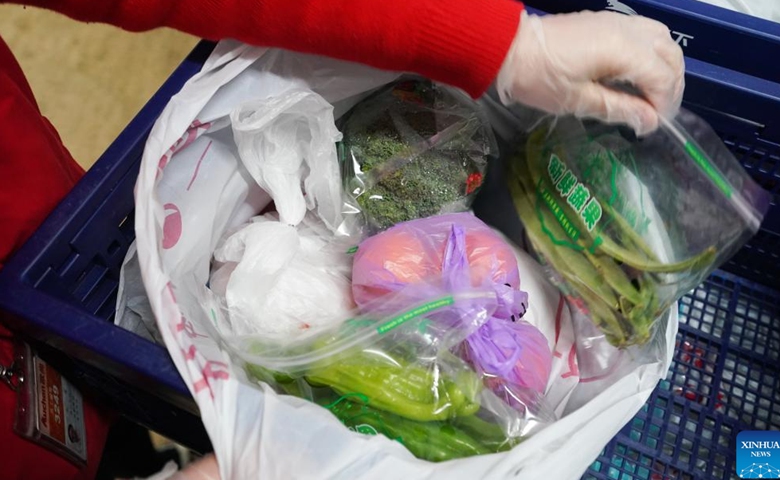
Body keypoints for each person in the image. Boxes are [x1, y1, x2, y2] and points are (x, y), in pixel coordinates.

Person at [0, 0, 684, 478]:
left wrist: (501, 44)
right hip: (39, 330)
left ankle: (135, 459)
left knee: (108, 428)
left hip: (27, 220)